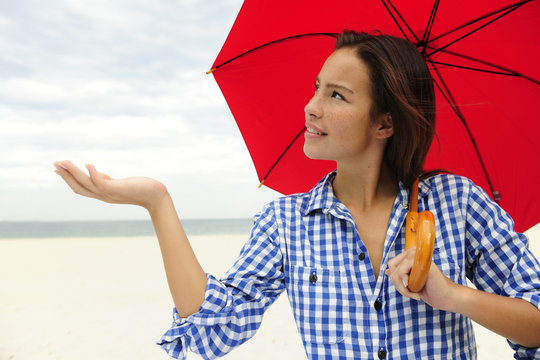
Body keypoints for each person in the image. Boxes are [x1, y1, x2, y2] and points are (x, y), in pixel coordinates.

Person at [53, 30, 540, 359]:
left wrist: (453, 295)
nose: (311, 107)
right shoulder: (287, 222)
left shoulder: (457, 203)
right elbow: (210, 328)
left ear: (385, 123)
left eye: (337, 96)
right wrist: (157, 201)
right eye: (316, 88)